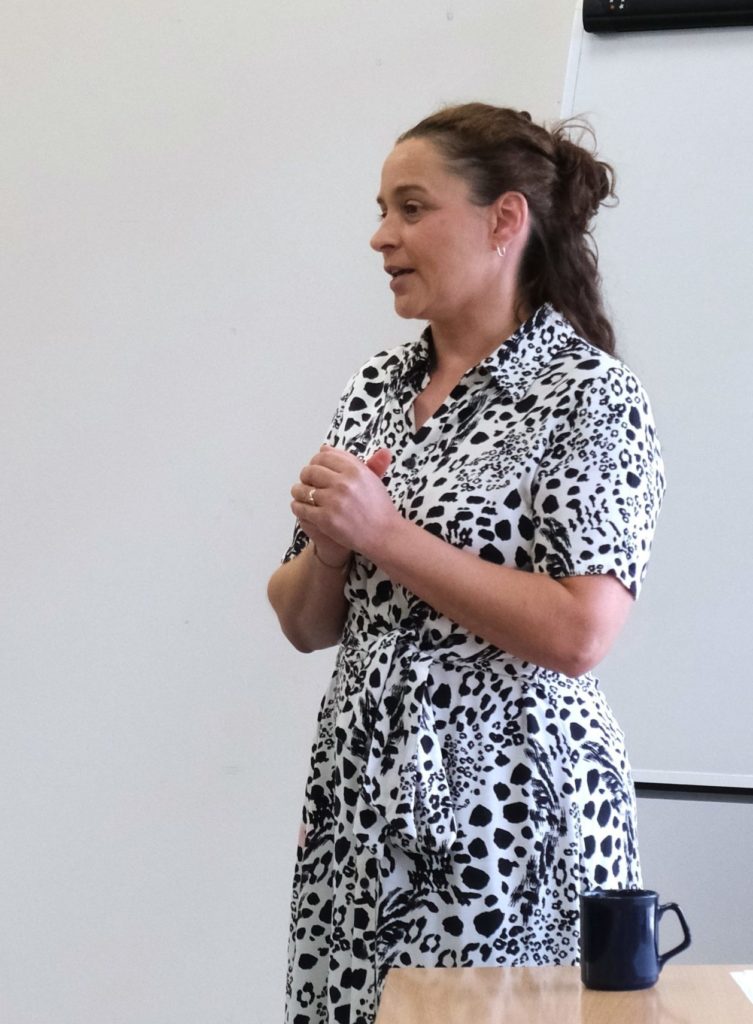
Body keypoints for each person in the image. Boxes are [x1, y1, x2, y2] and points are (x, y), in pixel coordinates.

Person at [267, 103, 665, 1024]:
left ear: (504, 220)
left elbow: (580, 632)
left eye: (411, 208)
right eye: (379, 209)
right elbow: (302, 622)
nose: (381, 236)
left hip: (510, 821)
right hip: (357, 818)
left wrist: (382, 535)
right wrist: (328, 550)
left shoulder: (589, 397)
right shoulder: (375, 386)